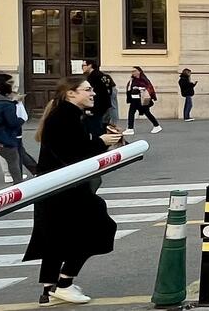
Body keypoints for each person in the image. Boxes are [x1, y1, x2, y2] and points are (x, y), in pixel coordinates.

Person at [24, 74, 123, 305]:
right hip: (65, 187)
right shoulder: (64, 117)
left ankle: (49, 290)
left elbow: (74, 148)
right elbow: (74, 154)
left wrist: (103, 139)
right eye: (87, 90)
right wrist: (101, 142)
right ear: (71, 93)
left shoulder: (66, 114)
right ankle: (65, 283)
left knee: (56, 236)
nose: (93, 93)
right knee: (100, 228)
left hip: (56, 187)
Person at [125, 67, 163, 134]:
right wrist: (131, 83)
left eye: (134, 71)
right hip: (134, 98)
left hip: (142, 99)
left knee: (146, 112)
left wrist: (139, 88)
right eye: (132, 71)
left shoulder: (143, 79)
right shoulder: (132, 80)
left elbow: (148, 87)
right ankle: (130, 128)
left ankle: (156, 125)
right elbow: (129, 88)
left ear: (139, 71)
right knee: (131, 112)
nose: (133, 73)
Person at [81, 61, 117, 132]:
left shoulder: (93, 77)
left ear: (90, 65)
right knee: (102, 123)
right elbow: (108, 88)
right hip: (105, 104)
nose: (82, 68)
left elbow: (96, 94)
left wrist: (90, 108)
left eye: (83, 65)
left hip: (98, 106)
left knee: (96, 125)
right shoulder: (101, 75)